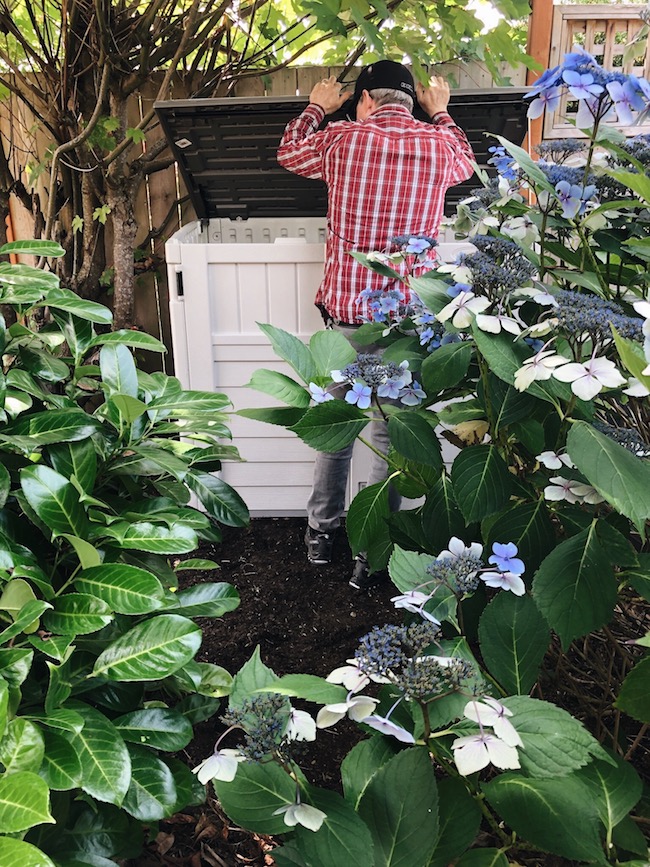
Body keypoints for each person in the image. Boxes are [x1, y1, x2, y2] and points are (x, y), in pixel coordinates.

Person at [277, 59, 475, 588]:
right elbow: (467, 165)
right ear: (411, 102)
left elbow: (288, 151)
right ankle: (374, 546)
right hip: (408, 325)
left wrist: (319, 105)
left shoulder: (340, 139)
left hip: (346, 319)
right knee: (389, 438)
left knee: (336, 429)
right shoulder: (440, 146)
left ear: (365, 100)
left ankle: (321, 534)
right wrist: (443, 115)